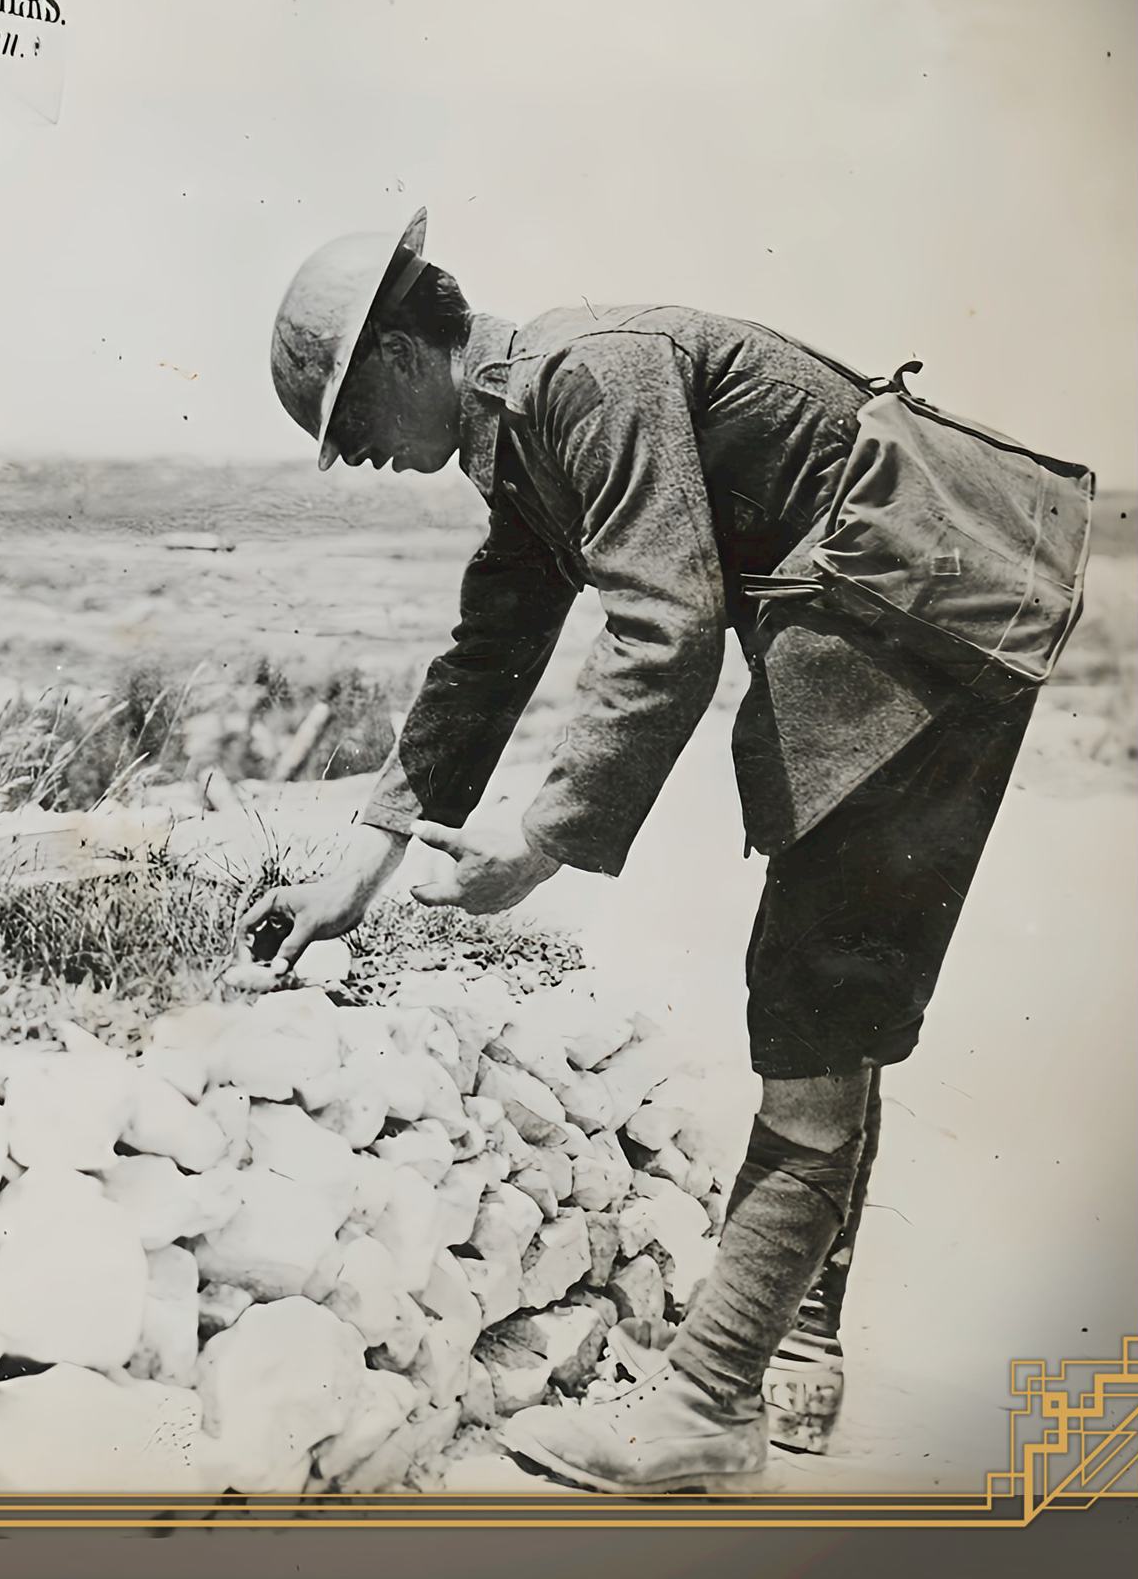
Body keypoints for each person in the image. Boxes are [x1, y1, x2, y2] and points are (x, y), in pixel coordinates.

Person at [240, 211, 1041, 1493]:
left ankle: (712, 1409)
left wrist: (539, 845)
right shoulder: (527, 433)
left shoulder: (584, 379)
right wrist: (360, 869)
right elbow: (486, 659)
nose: (354, 458)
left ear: (400, 353)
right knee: (827, 994)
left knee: (815, 1001)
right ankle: (784, 1340)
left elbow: (665, 630)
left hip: (920, 638)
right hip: (889, 629)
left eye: (345, 425)